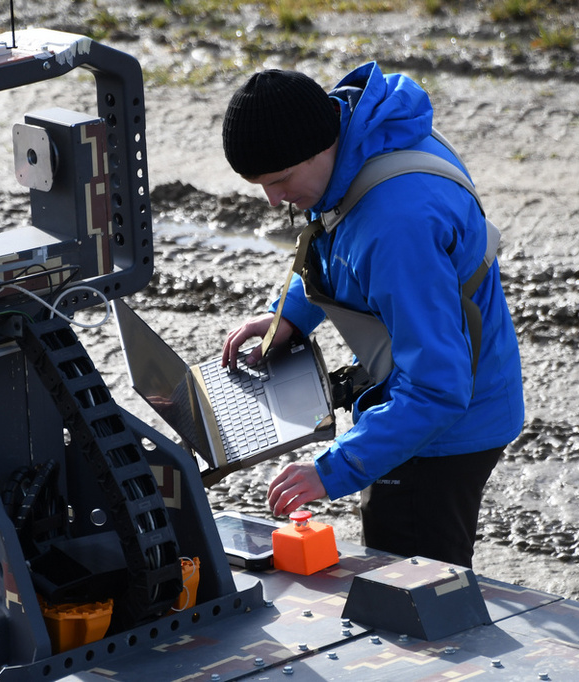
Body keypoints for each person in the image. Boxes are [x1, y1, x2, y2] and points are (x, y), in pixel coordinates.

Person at [219, 63, 525, 568]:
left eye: (280, 180)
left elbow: (438, 388)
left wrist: (333, 469)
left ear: (318, 146)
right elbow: (337, 242)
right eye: (261, 184)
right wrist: (289, 316)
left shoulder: (396, 224)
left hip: (443, 431)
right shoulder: (358, 141)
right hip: (430, 401)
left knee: (418, 597)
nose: (274, 201)